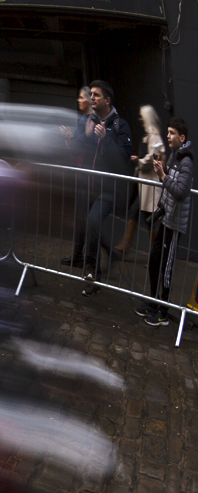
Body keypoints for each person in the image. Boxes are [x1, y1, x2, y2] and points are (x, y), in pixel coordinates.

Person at [60, 80, 134, 295]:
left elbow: (123, 159)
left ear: (107, 100)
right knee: (85, 224)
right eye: (90, 94)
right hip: (86, 186)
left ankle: (92, 269)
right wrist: (84, 137)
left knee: (93, 220)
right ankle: (92, 274)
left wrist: (105, 139)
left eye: (96, 95)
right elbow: (75, 148)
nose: (92, 98)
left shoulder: (120, 126)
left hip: (107, 190)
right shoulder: (87, 121)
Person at [140, 118, 191, 326]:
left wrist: (162, 175)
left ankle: (163, 311)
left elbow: (180, 192)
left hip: (175, 224)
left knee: (166, 269)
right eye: (168, 132)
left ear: (182, 138)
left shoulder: (187, 161)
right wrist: (164, 170)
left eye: (171, 133)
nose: (168, 136)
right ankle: (153, 302)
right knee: (154, 260)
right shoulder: (174, 156)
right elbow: (170, 185)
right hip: (166, 219)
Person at [116, 105, 164, 256]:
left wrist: (139, 161)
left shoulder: (154, 137)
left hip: (148, 184)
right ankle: (127, 246)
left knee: (146, 217)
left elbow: (154, 156)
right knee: (139, 214)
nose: (140, 120)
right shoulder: (150, 136)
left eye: (142, 117)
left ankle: (154, 254)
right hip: (143, 184)